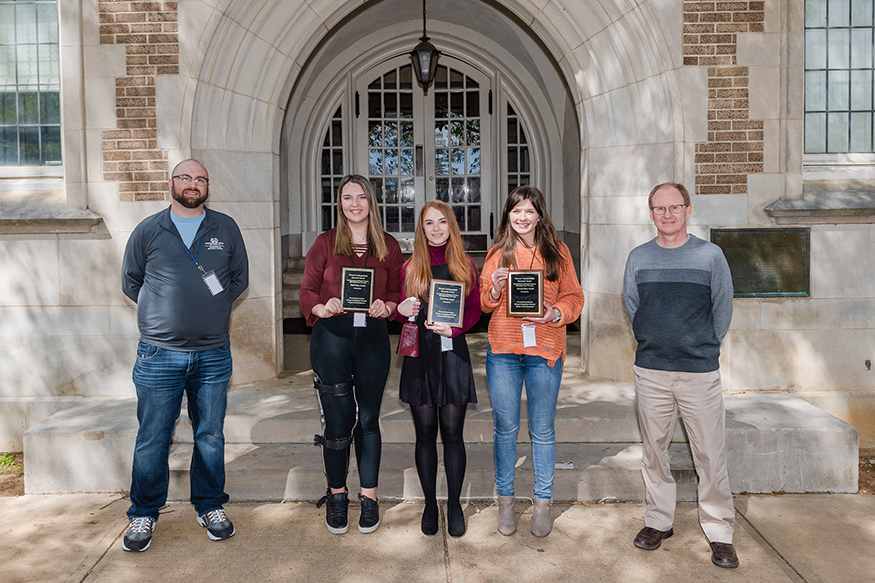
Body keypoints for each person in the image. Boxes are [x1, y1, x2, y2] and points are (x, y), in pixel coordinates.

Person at [120, 159, 249, 552]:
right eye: (185, 177)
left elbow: (239, 278)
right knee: (152, 437)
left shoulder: (224, 227)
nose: (192, 184)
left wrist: (210, 310)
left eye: (200, 179)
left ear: (207, 186)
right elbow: (131, 280)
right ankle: (143, 512)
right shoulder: (149, 229)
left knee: (209, 435)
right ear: (171, 182)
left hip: (212, 353)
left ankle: (209, 505)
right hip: (159, 353)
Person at [623, 182, 738, 569]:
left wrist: (703, 344)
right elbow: (633, 305)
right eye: (659, 208)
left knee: (710, 454)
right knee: (654, 451)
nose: (667, 214)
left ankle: (720, 531)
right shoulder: (638, 258)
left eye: (675, 207)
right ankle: (659, 521)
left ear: (688, 210)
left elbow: (722, 308)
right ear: (651, 213)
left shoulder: (710, 256)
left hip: (698, 372)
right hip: (651, 370)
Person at [299, 174, 403, 535]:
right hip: (331, 340)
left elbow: (397, 293)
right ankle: (338, 495)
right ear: (339, 203)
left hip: (372, 340)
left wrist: (386, 306)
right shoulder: (325, 243)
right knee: (338, 424)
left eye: (361, 197)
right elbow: (307, 290)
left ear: (371, 202)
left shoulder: (388, 245)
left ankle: (369, 498)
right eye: (347, 198)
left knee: (369, 420)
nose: (354, 204)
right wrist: (321, 306)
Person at [480, 185, 584, 537]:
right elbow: (483, 303)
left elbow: (575, 297)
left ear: (540, 214)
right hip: (504, 352)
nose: (522, 217)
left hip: (545, 350)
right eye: (515, 211)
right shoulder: (497, 253)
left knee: (542, 430)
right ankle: (506, 501)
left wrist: (556, 313)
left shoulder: (559, 252)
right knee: (505, 430)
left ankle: (542, 503)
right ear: (508, 215)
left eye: (529, 211)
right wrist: (494, 289)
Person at [395, 201, 481, 538]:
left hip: (452, 354)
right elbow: (401, 314)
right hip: (420, 358)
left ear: (451, 226)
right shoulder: (410, 267)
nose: (435, 228)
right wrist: (401, 310)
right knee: (425, 434)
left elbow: (473, 310)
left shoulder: (464, 265)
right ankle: (431, 503)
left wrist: (456, 329)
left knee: (453, 434)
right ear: (421, 228)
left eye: (441, 222)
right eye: (428, 223)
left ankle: (455, 503)